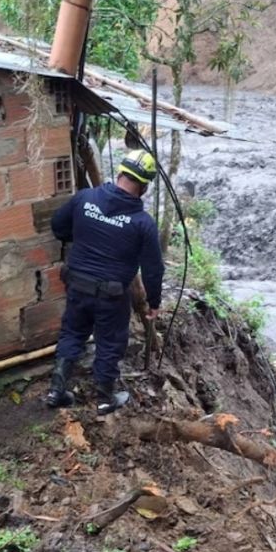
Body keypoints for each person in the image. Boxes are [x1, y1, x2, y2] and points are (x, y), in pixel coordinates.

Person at [46, 149, 165, 415]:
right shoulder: (142, 223)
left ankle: (56, 390)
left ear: (120, 172)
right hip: (111, 295)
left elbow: (58, 227)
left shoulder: (85, 198)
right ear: (144, 186)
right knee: (110, 342)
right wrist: (154, 302)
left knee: (72, 333)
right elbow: (153, 269)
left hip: (77, 284)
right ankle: (104, 398)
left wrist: (85, 234)